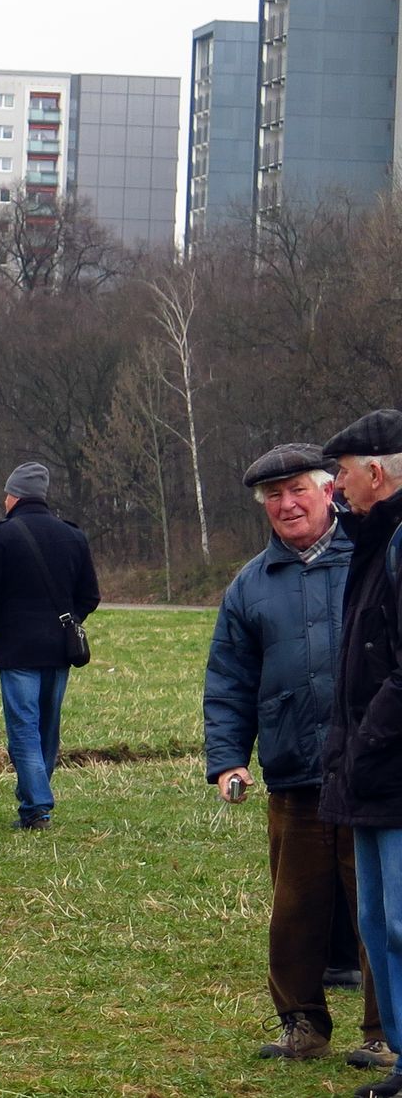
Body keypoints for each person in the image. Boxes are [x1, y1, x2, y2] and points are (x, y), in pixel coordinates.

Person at [204, 443, 388, 1067]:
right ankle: (302, 1025)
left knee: (379, 909)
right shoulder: (250, 584)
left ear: (328, 490)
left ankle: (384, 1030)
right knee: (295, 911)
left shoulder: (370, 555)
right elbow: (228, 681)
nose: (286, 505)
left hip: (367, 769)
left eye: (297, 491)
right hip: (294, 776)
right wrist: (228, 758)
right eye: (273, 497)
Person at [318, 410, 402, 1098]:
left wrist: (369, 740)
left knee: (401, 923)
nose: (334, 489)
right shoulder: (372, 542)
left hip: (392, 768)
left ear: (376, 472)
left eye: (341, 474)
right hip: (372, 775)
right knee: (376, 925)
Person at [0, 461, 100, 830]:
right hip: (59, 651)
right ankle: (33, 806)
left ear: (14, 497)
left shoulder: (3, 535)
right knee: (46, 729)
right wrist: (69, 623)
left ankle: (38, 804)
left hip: (17, 651)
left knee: (24, 729)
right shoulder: (73, 536)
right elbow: (90, 595)